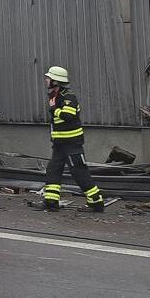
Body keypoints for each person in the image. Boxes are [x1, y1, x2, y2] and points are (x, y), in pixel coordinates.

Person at [42, 66, 106, 212]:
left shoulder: (68, 97)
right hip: (59, 145)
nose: (46, 80)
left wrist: (54, 109)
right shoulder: (55, 96)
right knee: (53, 171)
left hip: (71, 144)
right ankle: (51, 202)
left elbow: (68, 116)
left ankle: (96, 202)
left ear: (56, 81)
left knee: (79, 173)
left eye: (49, 78)